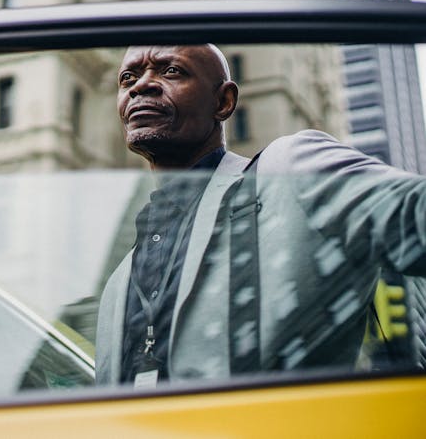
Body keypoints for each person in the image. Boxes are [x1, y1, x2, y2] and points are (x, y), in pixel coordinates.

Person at [95, 44, 426, 388]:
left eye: (171, 71)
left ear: (223, 102)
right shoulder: (118, 281)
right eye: (127, 78)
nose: (140, 85)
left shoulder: (290, 169)